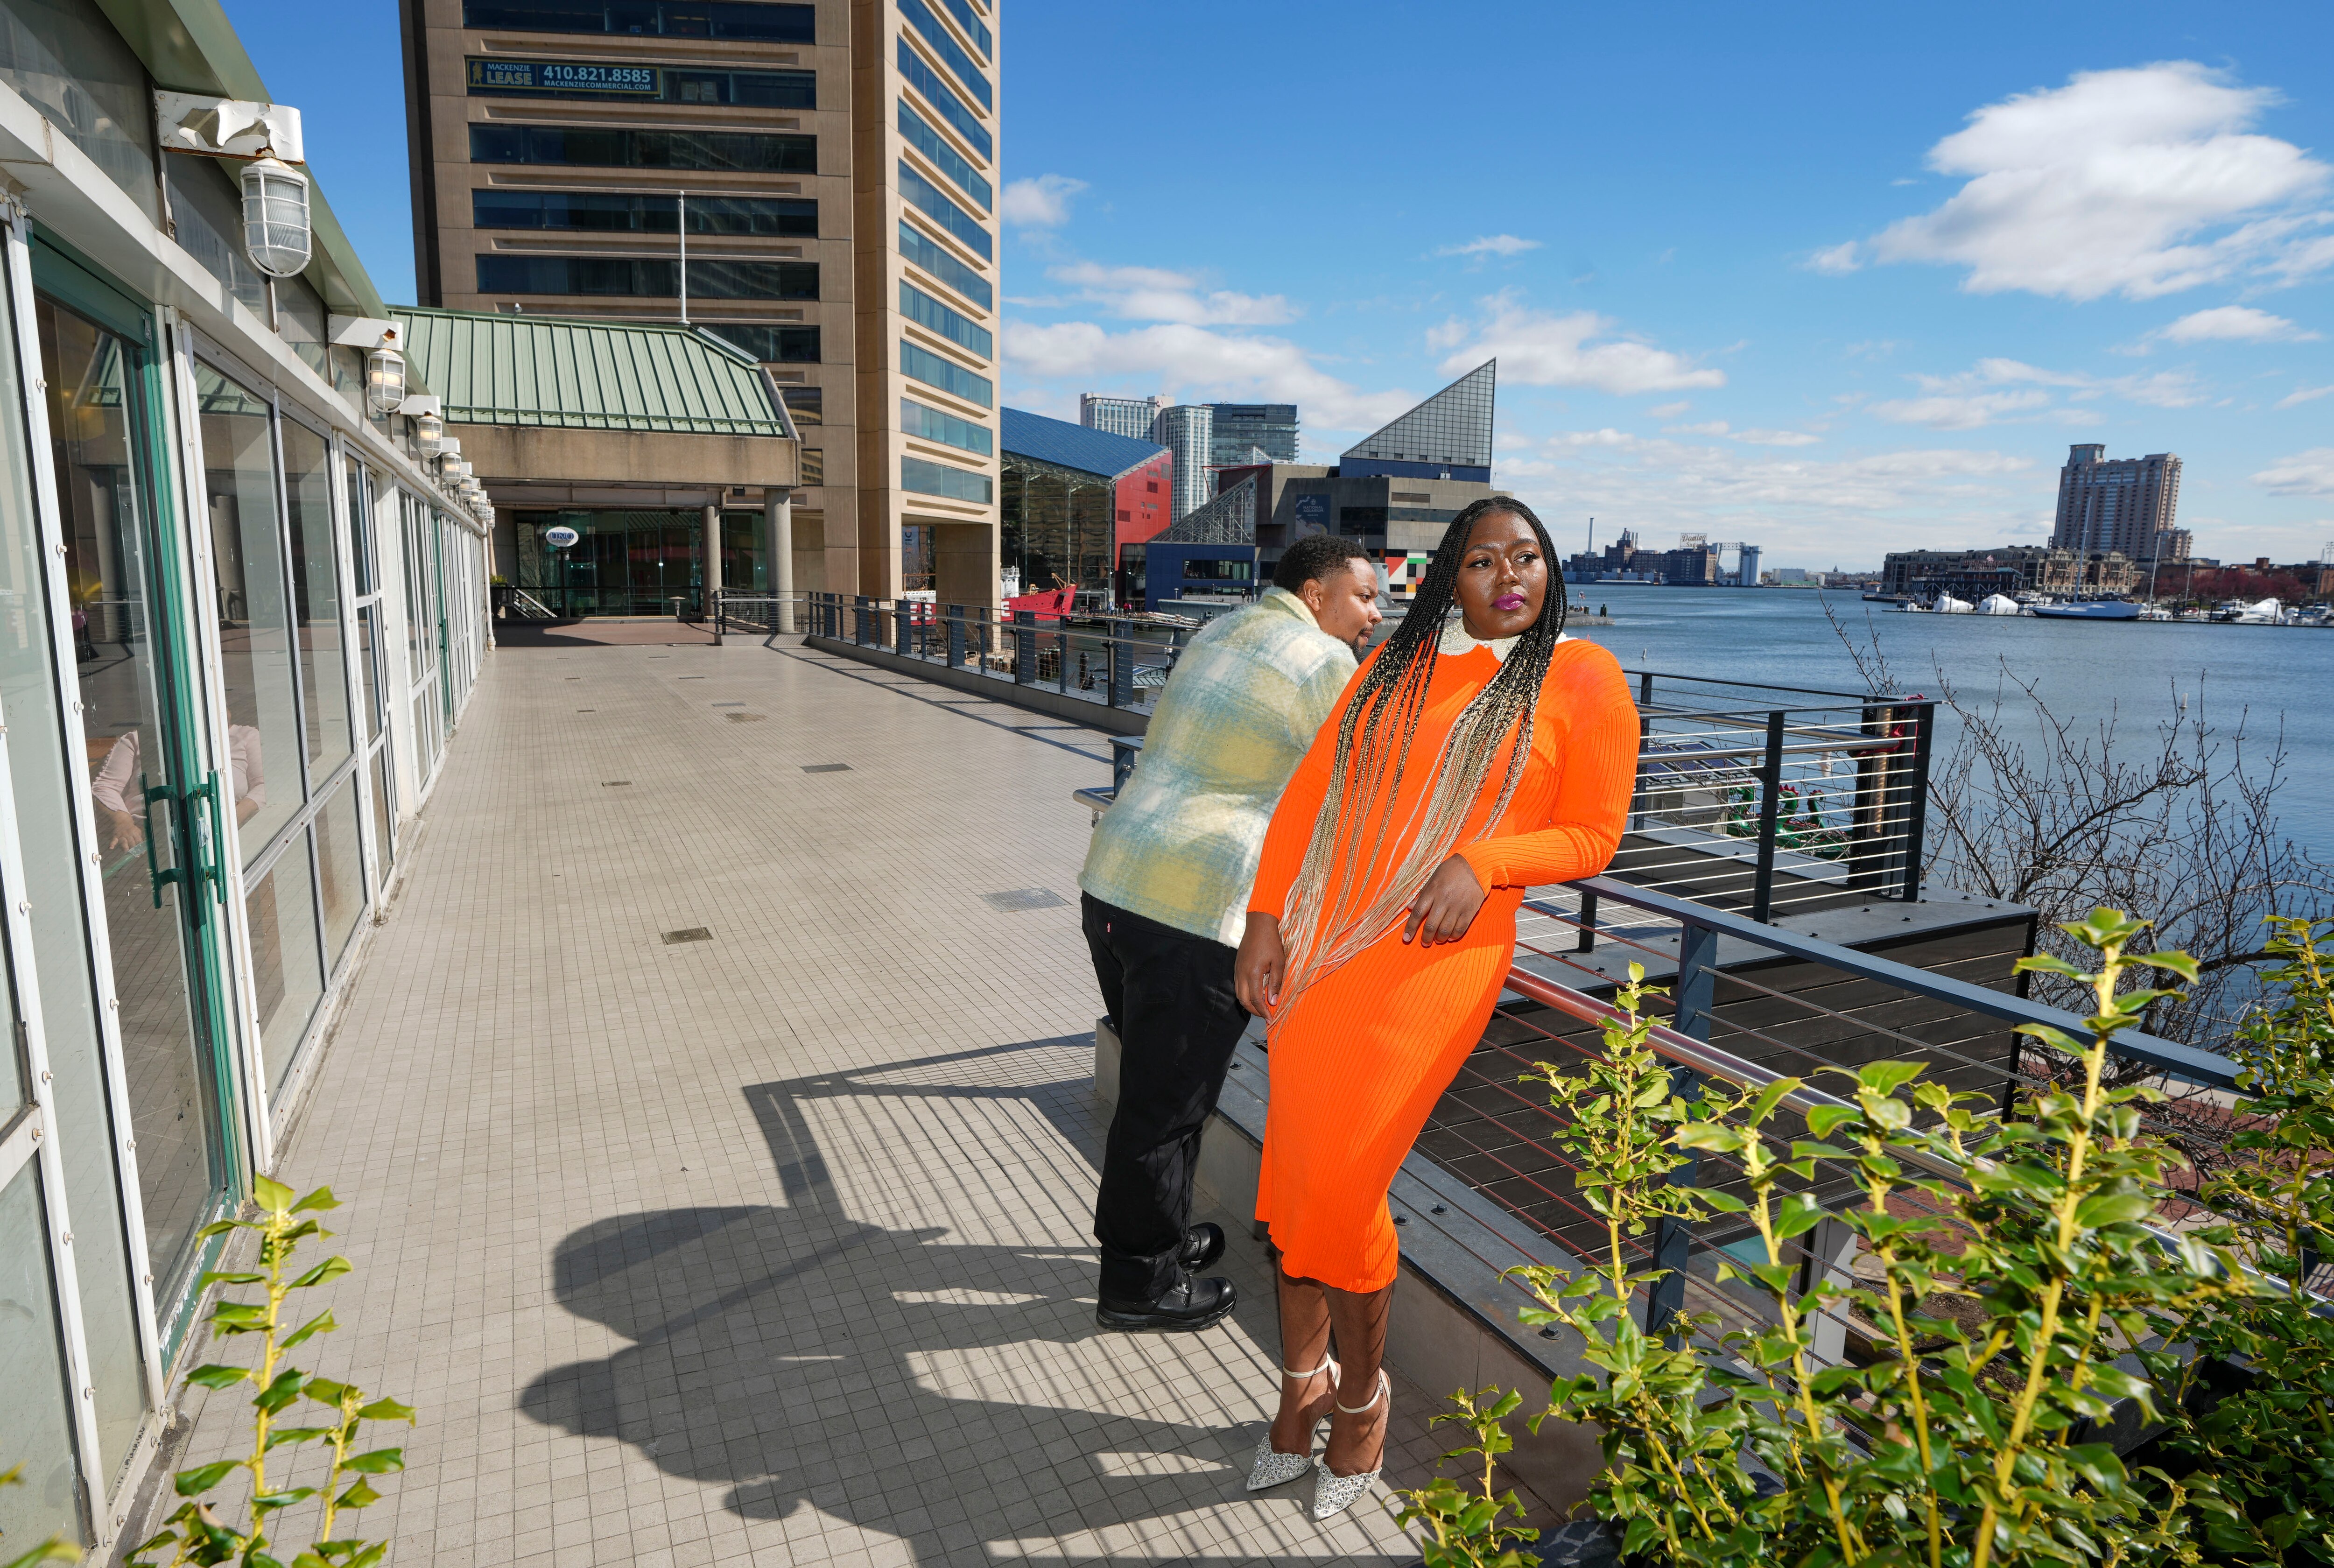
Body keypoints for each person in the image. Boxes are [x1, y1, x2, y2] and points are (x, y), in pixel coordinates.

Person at [1231, 498, 1638, 1518]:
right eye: (1481, 560)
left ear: (1552, 570)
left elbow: (1593, 835)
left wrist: (1484, 859)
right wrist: (1265, 919)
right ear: (1447, 578)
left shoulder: (1581, 677)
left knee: (1346, 1183)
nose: (1510, 575)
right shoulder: (1397, 666)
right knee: (1296, 1183)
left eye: (1529, 557)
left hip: (1435, 967)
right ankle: (1301, 1387)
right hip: (1327, 951)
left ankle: (1360, 1402)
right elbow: (1310, 794)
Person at [1078, 534, 1385, 1332]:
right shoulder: (1322, 663)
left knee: (1157, 1090)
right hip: (1196, 905)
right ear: (1318, 595)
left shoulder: (1220, 630)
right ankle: (1137, 1286)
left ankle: (1162, 1241)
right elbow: (1364, 788)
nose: (1374, 617)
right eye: (1365, 598)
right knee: (1167, 1107)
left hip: (1114, 881)